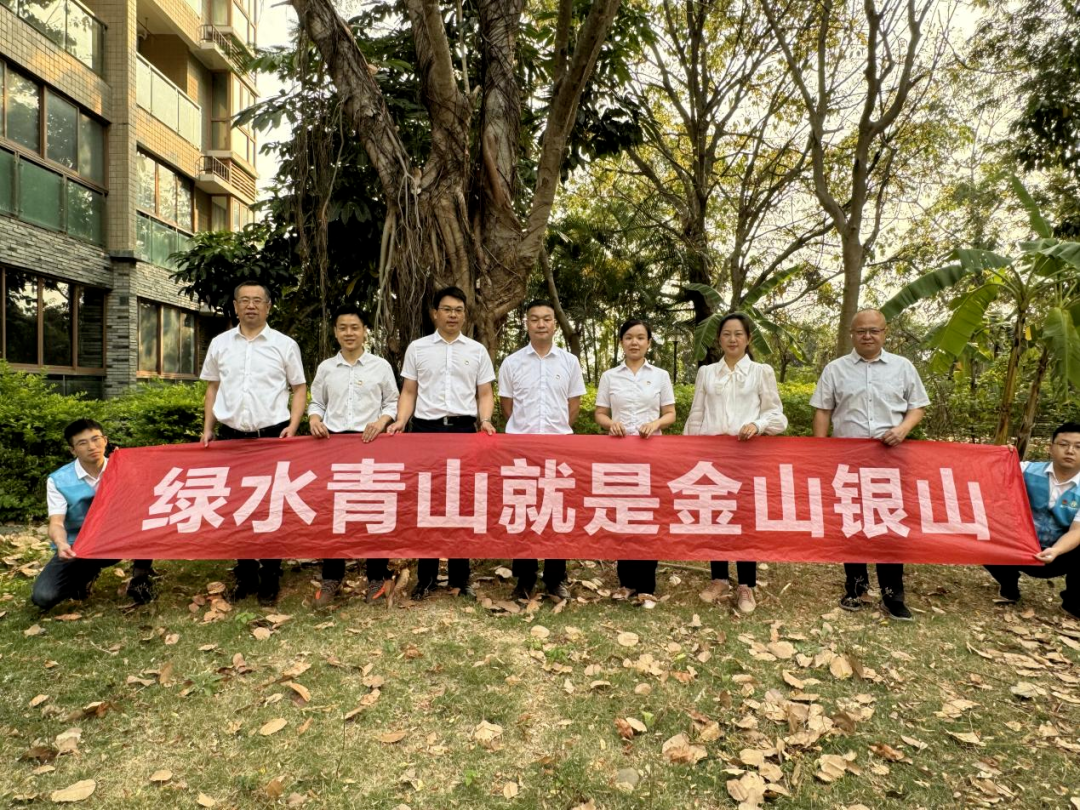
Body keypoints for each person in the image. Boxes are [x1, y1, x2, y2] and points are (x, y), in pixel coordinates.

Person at [811, 308, 929, 621]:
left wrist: (903, 429)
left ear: (884, 333)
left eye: (874, 330)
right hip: (847, 459)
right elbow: (822, 411)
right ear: (852, 334)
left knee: (889, 524)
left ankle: (893, 595)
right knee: (853, 523)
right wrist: (819, 452)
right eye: (861, 330)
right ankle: (856, 587)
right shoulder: (835, 369)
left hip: (890, 458)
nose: (867, 336)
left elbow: (917, 406)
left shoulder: (902, 367)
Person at [200, 280, 307, 606]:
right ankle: (245, 574)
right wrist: (208, 429)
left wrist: (292, 426)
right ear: (235, 306)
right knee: (237, 506)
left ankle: (270, 576)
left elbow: (299, 388)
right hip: (231, 437)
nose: (251, 305)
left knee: (270, 507)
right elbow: (212, 389)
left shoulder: (284, 345)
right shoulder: (220, 344)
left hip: (271, 437)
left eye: (257, 300)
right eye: (244, 300)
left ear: (268, 306)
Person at [387, 286, 497, 600]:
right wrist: (401, 420)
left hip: (463, 431)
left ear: (465, 315)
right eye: (446, 309)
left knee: (463, 503)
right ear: (435, 313)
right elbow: (409, 391)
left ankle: (461, 578)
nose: (452, 315)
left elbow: (485, 393)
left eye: (458, 310)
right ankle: (426, 578)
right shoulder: (418, 348)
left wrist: (485, 419)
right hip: (426, 432)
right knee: (428, 503)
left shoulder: (477, 350)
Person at [684, 313, 787, 614]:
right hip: (712, 457)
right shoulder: (707, 373)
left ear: (748, 338)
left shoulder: (760, 372)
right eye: (726, 334)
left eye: (738, 334)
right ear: (719, 339)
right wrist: (687, 450)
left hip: (746, 456)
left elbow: (777, 416)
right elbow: (697, 414)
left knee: (744, 519)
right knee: (715, 515)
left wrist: (757, 424)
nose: (732, 339)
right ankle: (718, 578)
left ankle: (746, 584)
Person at [308, 304, 399, 608]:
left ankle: (377, 577)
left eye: (355, 327)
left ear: (365, 332)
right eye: (343, 328)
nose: (349, 333)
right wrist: (314, 420)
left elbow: (392, 402)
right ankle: (332, 578)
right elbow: (317, 403)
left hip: (371, 445)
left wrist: (381, 422)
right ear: (335, 332)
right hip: (333, 446)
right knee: (334, 512)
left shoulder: (380, 366)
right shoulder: (326, 368)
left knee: (374, 511)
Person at [499, 299, 586, 601]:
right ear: (526, 323)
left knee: (556, 511)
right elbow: (507, 407)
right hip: (521, 448)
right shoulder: (512, 363)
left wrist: (554, 433)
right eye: (534, 319)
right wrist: (526, 434)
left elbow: (573, 406)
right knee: (523, 510)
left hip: (558, 447)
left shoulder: (569, 362)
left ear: (554, 324)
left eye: (546, 319)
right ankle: (524, 578)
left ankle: (555, 578)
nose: (540, 324)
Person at [31, 419, 155, 610]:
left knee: (147, 519)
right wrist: (61, 543)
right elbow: (56, 522)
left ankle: (140, 578)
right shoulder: (59, 480)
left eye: (96, 439)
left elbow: (143, 507)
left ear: (105, 440)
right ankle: (87, 573)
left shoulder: (124, 469)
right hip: (79, 545)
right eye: (82, 443)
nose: (92, 447)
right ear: (73, 450)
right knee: (43, 597)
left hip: (119, 538)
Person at [594, 319, 676, 598]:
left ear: (648, 343)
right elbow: (600, 413)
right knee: (623, 513)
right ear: (621, 342)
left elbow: (670, 413)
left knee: (648, 514)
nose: (634, 342)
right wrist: (610, 424)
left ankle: (647, 585)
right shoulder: (610, 376)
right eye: (629, 337)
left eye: (640, 337)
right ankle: (626, 582)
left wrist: (655, 423)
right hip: (619, 453)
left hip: (651, 453)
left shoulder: (660, 375)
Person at [985, 422, 1080, 619]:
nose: (1070, 451)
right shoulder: (1025, 469)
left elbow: (1077, 531)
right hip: (1017, 545)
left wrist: (1056, 550)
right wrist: (999, 457)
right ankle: (1008, 585)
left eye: (1078, 447)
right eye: (1063, 444)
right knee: (984, 531)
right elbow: (986, 473)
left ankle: (1073, 603)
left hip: (1060, 554)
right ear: (1050, 448)